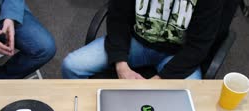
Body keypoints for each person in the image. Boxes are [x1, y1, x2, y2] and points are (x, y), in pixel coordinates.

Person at [62, 0, 225, 79]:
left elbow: (199, 45)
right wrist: (121, 65)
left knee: (191, 100)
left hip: (177, 54)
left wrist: (161, 79)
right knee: (72, 65)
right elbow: (118, 19)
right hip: (136, 41)